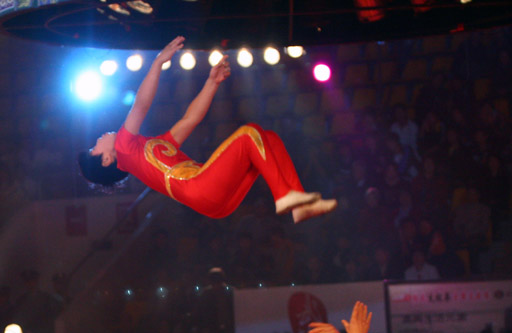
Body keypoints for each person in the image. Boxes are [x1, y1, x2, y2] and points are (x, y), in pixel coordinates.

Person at [79, 37, 336, 224]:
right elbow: (141, 104)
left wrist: (211, 83)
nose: (99, 138)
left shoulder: (147, 149)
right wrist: (158, 63)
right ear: (106, 159)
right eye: (95, 147)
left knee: (268, 139)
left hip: (214, 202)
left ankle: (300, 200)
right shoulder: (124, 147)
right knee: (250, 134)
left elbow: (190, 120)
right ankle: (289, 199)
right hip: (199, 187)